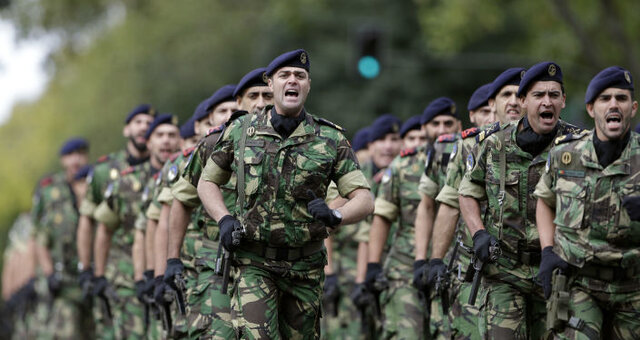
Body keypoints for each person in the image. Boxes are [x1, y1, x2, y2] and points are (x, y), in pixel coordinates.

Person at [198, 49, 374, 339]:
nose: (293, 80)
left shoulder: (331, 139)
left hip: (305, 267)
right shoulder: (240, 131)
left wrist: (335, 214)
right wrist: (224, 218)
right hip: (254, 263)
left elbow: (365, 199)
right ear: (271, 84)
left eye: (300, 76)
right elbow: (207, 182)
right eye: (285, 75)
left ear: (307, 85)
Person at [458, 61, 584, 339]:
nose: (546, 102)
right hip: (505, 270)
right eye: (539, 95)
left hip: (556, 271)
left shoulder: (578, 146)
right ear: (524, 101)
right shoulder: (494, 143)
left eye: (554, 95)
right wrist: (478, 233)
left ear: (563, 101)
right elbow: (467, 190)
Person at [534, 66, 640, 339]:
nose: (614, 104)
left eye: (621, 98)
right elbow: (545, 201)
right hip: (580, 282)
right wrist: (548, 251)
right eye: (605, 99)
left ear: (633, 108)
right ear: (591, 109)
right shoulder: (565, 154)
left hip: (632, 286)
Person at [426, 69, 525, 340]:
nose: (514, 101)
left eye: (520, 94)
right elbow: (449, 203)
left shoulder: (557, 143)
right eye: (506, 95)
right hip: (480, 265)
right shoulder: (471, 145)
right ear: (493, 104)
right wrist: (435, 259)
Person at [161, 83, 242, 339]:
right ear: (207, 120)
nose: (229, 115)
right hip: (204, 264)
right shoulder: (198, 154)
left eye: (234, 109)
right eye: (222, 110)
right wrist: (164, 266)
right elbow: (165, 216)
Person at [92, 114, 180, 339]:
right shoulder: (125, 182)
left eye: (171, 135)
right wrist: (98, 276)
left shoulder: (183, 175)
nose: (166, 141)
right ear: (149, 143)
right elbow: (104, 229)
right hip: (127, 275)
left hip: (169, 272)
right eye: (159, 135)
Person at [75, 104, 155, 331]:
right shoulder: (104, 170)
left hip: (154, 264)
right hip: (118, 269)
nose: (143, 127)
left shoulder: (162, 165)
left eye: (149, 123)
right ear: (126, 130)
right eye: (137, 122)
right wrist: (87, 269)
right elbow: (87, 220)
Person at [30, 138, 94, 339]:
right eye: (70, 156)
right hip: (63, 281)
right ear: (62, 160)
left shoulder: (95, 183)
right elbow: (40, 237)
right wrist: (49, 274)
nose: (76, 160)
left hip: (93, 276)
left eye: (80, 154)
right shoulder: (50, 191)